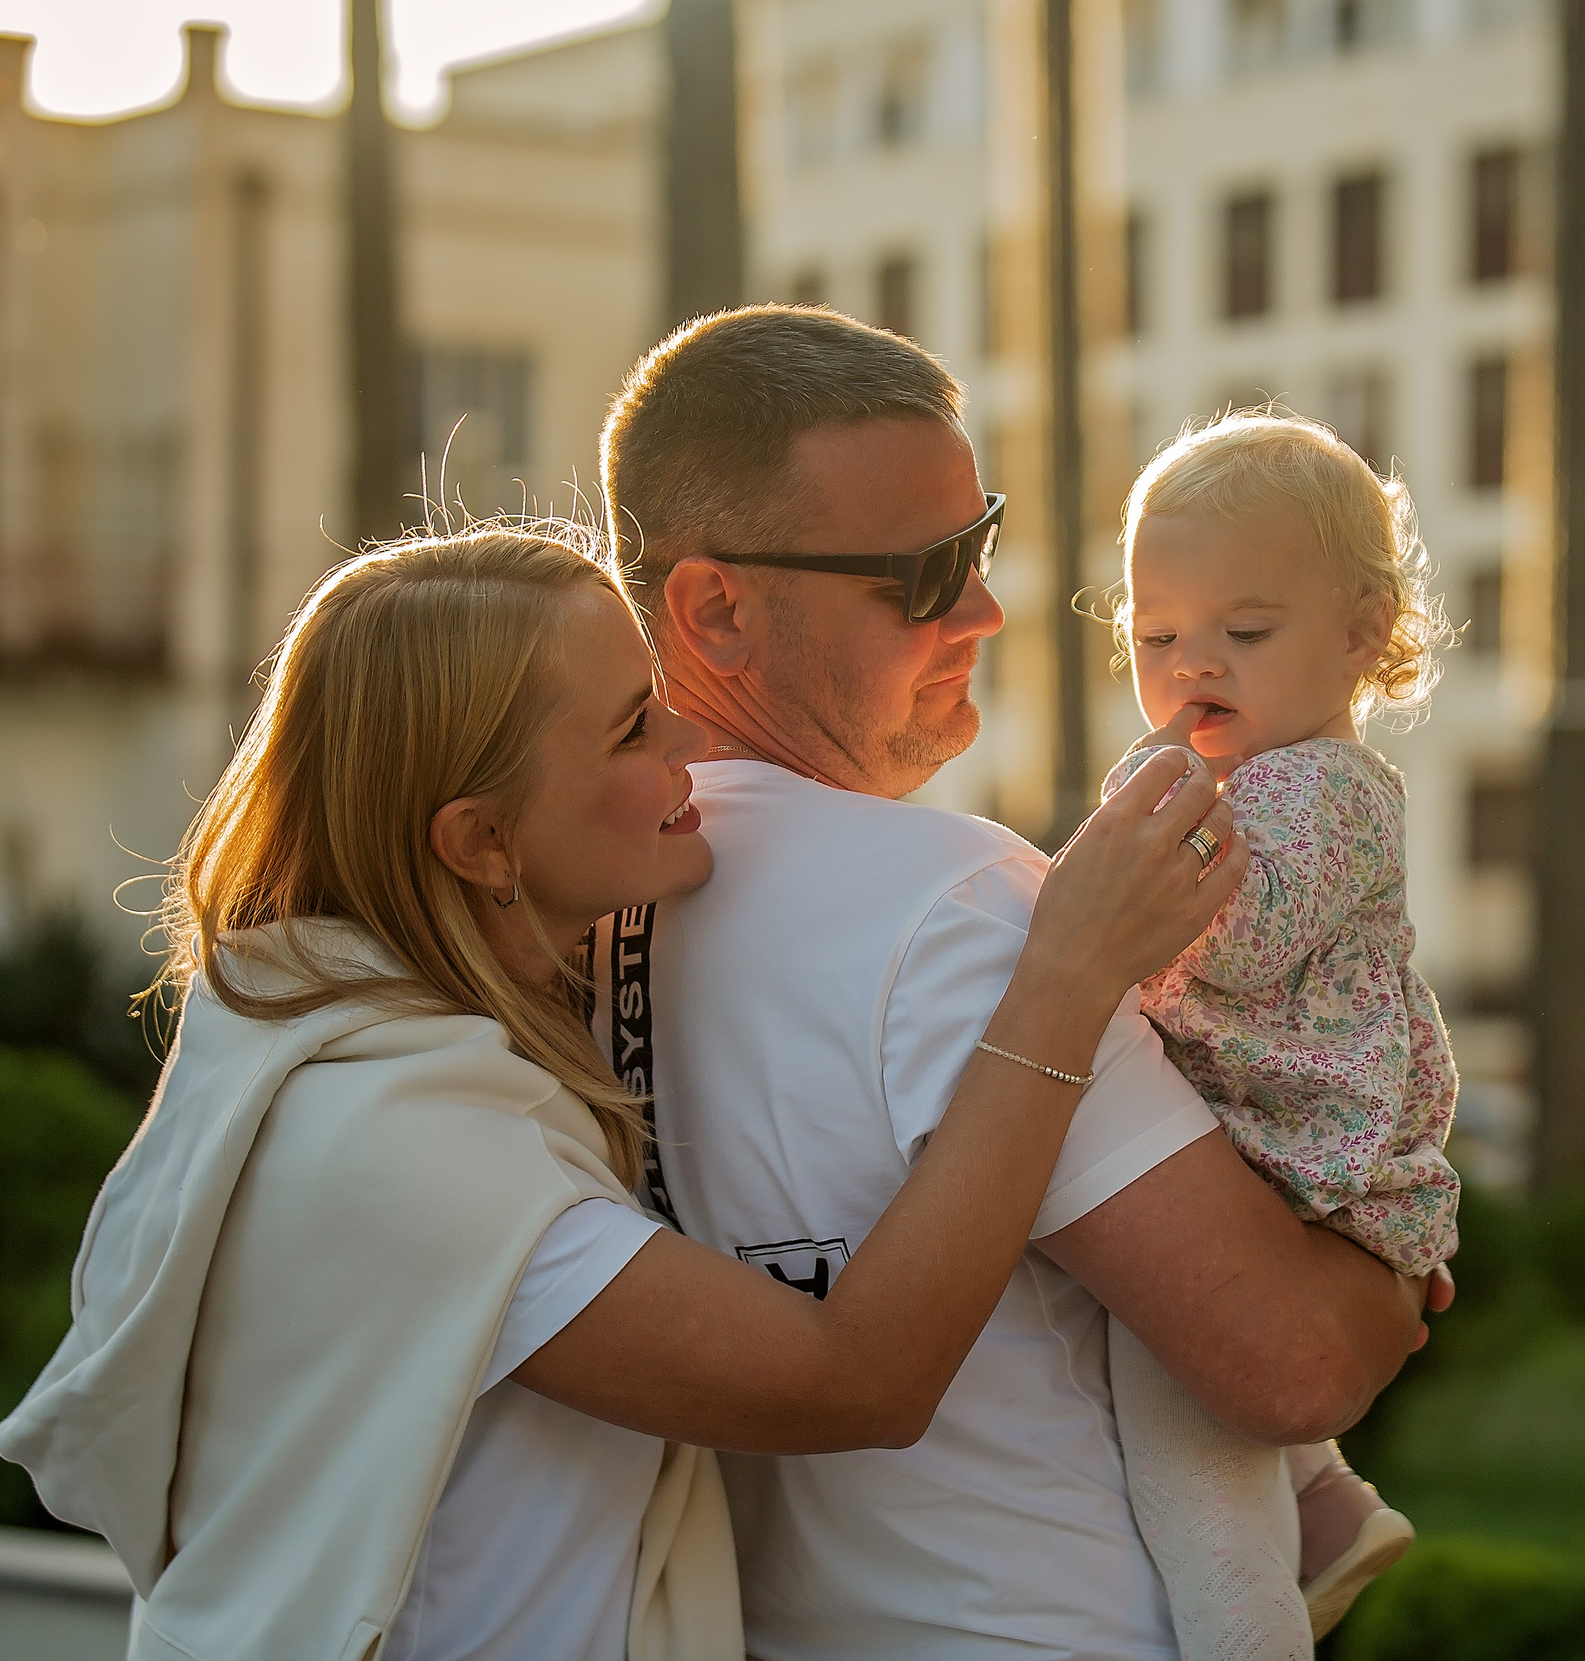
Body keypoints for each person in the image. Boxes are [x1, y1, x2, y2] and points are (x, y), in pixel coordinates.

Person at [0, 521, 1240, 1660]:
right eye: (632, 727)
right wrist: (1065, 977)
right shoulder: (389, 1137)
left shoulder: (351, 1033)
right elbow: (851, 1381)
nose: (690, 740)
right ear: (481, 843)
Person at [596, 305, 1435, 1661]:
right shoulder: (959, 908)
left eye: (977, 542)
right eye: (925, 573)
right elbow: (1289, 1358)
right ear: (716, 606)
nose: (987, 603)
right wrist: (1400, 1267)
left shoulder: (572, 906)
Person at [1098, 409, 1463, 1656]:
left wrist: (1138, 812)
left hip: (1298, 1143)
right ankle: (1322, 1503)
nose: (1194, 665)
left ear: (1362, 634)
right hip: (1273, 1135)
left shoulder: (1324, 791)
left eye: (1243, 634)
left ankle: (1246, 1622)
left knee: (1181, 1425)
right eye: (1157, 636)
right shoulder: (1255, 783)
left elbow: (1232, 937)